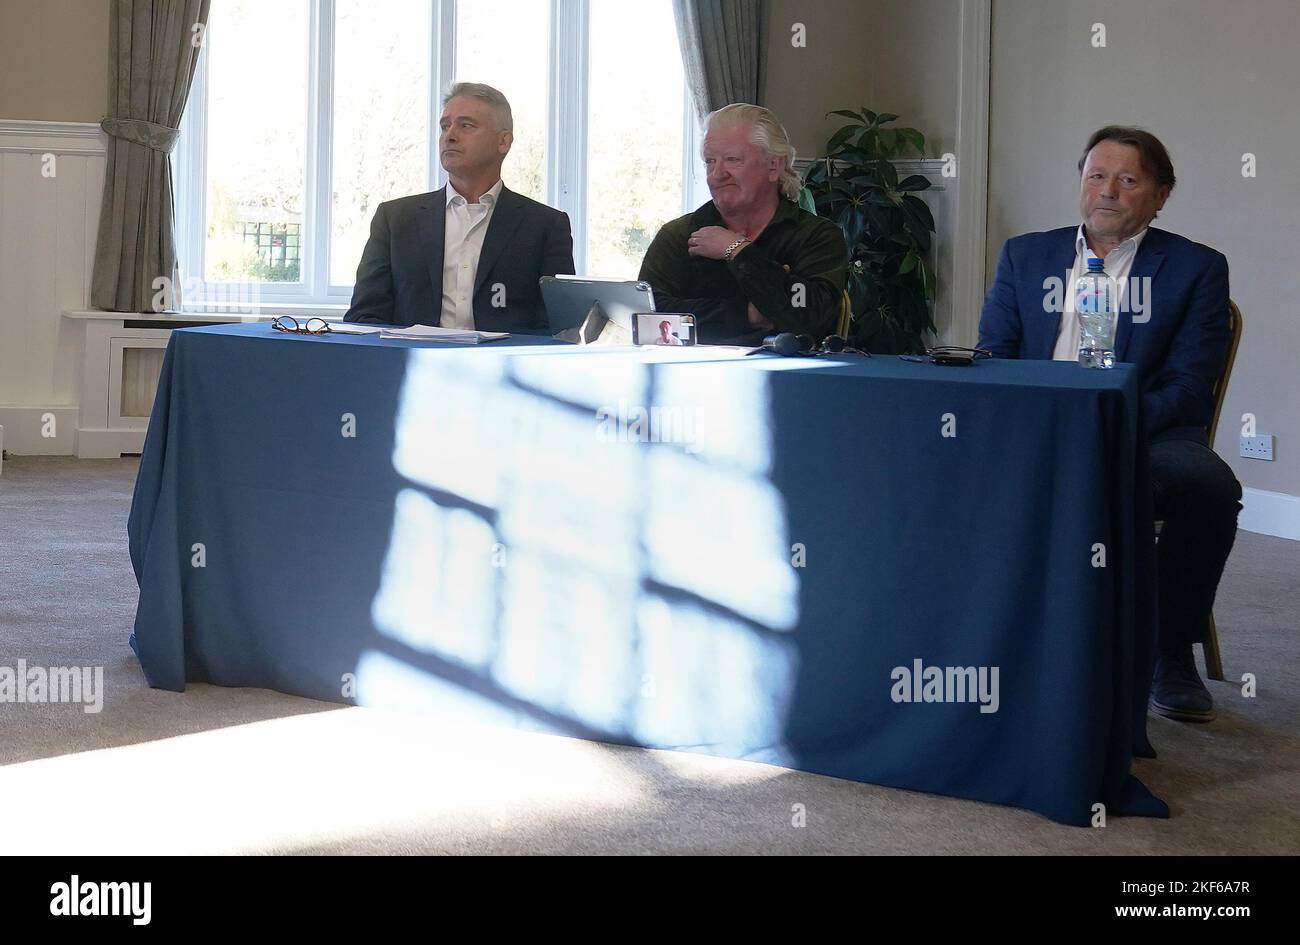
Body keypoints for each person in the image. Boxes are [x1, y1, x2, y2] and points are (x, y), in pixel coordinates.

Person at [978, 126, 1241, 723]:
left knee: (1209, 487)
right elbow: (993, 354)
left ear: (1160, 194)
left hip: (1144, 431)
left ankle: (1168, 650)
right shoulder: (1027, 255)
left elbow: (1188, 387)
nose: (1109, 192)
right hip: (1039, 429)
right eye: (1096, 176)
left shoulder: (1196, 268)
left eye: (1129, 180)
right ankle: (981, 638)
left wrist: (1108, 421)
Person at [345, 82, 574, 332]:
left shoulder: (545, 226)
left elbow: (557, 325)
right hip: (411, 364)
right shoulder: (395, 220)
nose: (449, 135)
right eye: (445, 126)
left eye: (466, 125)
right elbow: (364, 317)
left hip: (503, 366)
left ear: (503, 141)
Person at [638, 103, 847, 345]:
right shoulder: (678, 235)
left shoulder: (816, 237)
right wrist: (747, 314)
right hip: (690, 377)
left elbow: (810, 318)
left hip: (790, 379)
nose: (716, 174)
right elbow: (650, 321)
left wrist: (738, 250)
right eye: (710, 161)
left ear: (774, 166)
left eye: (732, 159)